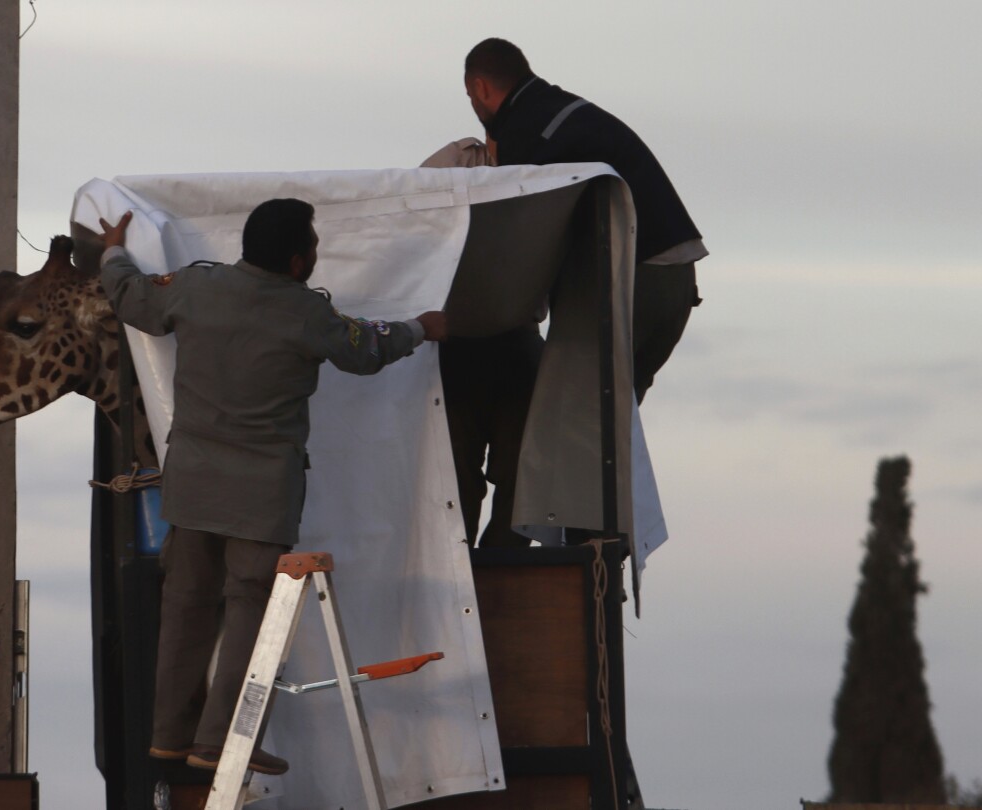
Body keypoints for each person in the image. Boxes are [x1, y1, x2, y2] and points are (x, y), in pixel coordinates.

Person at [97, 199, 446, 777]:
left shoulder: (194, 288)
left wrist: (113, 249)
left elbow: (131, 297)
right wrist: (420, 328)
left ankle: (168, 738)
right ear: (295, 260)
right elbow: (366, 350)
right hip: (260, 497)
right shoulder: (306, 313)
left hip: (191, 488)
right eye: (312, 244)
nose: (315, 253)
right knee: (247, 618)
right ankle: (215, 741)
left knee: (185, 610)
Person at [423, 38, 707, 549]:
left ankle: (583, 551)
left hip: (632, 276)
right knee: (605, 422)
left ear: (479, 88)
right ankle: (594, 546)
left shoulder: (526, 135)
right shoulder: (557, 112)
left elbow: (519, 244)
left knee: (580, 416)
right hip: (673, 278)